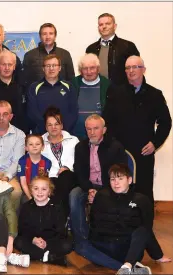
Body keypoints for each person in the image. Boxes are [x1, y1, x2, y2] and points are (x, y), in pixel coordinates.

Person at [74, 164, 171, 274]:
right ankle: (128, 269)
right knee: (79, 245)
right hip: (104, 247)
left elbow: (146, 229)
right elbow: (94, 223)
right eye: (113, 179)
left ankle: (127, 265)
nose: (116, 183)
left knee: (143, 229)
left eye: (120, 179)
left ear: (129, 180)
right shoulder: (101, 196)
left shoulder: (141, 200)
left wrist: (158, 255)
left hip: (128, 250)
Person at [103, 55, 172, 204]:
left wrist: (155, 143)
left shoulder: (155, 95)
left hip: (144, 151)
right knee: (118, 190)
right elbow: (106, 122)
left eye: (135, 67)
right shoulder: (115, 93)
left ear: (143, 70)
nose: (131, 71)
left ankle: (145, 227)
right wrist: (113, 144)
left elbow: (165, 122)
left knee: (144, 191)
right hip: (120, 151)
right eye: (127, 68)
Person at [71, 114, 127, 244]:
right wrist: (89, 189)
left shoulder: (115, 147)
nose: (92, 132)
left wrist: (100, 192)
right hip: (87, 185)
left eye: (96, 128)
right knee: (74, 195)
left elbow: (120, 174)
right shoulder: (80, 147)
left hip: (109, 186)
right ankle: (82, 237)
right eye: (89, 129)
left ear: (104, 130)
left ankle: (103, 238)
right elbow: (79, 172)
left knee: (105, 198)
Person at [14, 176, 72, 266]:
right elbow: (22, 228)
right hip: (33, 241)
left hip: (51, 242)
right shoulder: (26, 207)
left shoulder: (56, 207)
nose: (39, 192)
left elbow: (61, 230)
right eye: (36, 189)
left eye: (44, 189)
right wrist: (33, 239)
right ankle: (49, 257)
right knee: (18, 241)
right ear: (31, 191)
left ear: (49, 192)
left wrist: (47, 243)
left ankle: (37, 256)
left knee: (67, 245)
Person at [41, 107, 79, 215]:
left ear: (61, 125)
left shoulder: (73, 140)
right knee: (52, 183)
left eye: (56, 124)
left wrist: (67, 167)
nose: (53, 127)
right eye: (50, 125)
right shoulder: (39, 143)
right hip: (50, 178)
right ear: (46, 127)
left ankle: (58, 216)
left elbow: (80, 161)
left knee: (65, 177)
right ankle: (60, 218)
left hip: (70, 176)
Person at [27, 54, 78, 134]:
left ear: (60, 68)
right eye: (48, 66)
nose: (51, 68)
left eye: (54, 65)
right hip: (42, 135)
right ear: (43, 68)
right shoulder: (34, 88)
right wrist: (47, 129)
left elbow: (73, 111)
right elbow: (33, 113)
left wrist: (62, 130)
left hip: (64, 134)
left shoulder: (69, 86)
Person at [85, 13, 140, 86]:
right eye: (101, 25)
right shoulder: (91, 49)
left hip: (122, 93)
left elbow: (138, 71)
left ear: (115, 26)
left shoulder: (128, 46)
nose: (104, 27)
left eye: (107, 24)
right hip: (98, 93)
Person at [70, 53, 110, 139]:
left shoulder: (107, 85)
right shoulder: (73, 84)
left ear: (98, 69)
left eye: (92, 68)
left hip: (99, 138)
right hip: (77, 136)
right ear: (80, 70)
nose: (89, 72)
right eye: (85, 68)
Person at [16, 134, 52, 204]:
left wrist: (43, 195)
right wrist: (30, 198)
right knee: (25, 202)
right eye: (31, 144)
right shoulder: (22, 161)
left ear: (42, 147)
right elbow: (23, 183)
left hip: (42, 191)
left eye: (37, 144)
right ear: (26, 148)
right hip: (27, 191)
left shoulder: (47, 162)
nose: (34, 146)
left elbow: (46, 182)